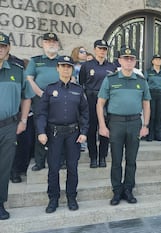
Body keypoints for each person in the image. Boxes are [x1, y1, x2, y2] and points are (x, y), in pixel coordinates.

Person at [97, 47, 150, 206]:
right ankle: (117, 190)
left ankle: (128, 189)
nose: (128, 61)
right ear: (119, 61)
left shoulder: (141, 81)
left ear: (135, 61)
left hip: (135, 123)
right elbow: (100, 104)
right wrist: (102, 125)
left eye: (132, 58)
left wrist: (146, 124)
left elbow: (146, 104)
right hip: (116, 123)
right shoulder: (111, 79)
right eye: (125, 58)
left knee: (131, 160)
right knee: (116, 160)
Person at [36, 56, 89, 213]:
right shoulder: (50, 89)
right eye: (63, 66)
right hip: (54, 134)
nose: (66, 69)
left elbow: (85, 113)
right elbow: (41, 113)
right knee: (53, 168)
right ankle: (53, 199)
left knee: (72, 167)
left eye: (69, 66)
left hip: (73, 134)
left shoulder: (78, 90)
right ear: (57, 68)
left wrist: (84, 132)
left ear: (72, 69)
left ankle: (72, 197)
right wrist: (41, 131)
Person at [0, 33, 32, 220]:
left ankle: (0, 203)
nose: (0, 49)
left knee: (4, 168)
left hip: (8, 127)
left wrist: (23, 121)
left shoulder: (17, 70)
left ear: (8, 49)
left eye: (3, 46)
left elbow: (26, 97)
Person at [26, 32, 62, 171]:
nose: (51, 44)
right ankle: (40, 162)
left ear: (58, 45)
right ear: (43, 44)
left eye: (53, 42)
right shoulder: (35, 61)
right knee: (40, 130)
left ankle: (60, 159)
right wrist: (41, 93)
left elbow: (71, 79)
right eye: (48, 41)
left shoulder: (63, 61)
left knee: (61, 130)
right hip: (40, 100)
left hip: (59, 101)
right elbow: (29, 79)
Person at [79, 40, 117, 168]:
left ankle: (102, 157)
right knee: (91, 129)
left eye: (105, 49)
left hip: (107, 101)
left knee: (105, 130)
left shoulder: (112, 67)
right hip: (91, 99)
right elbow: (82, 83)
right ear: (95, 49)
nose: (102, 51)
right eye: (100, 48)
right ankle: (93, 157)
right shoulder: (87, 66)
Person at [144, 54, 161, 141]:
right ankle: (150, 134)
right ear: (153, 61)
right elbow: (145, 84)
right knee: (151, 114)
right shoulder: (148, 72)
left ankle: (158, 134)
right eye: (156, 60)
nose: (158, 61)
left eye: (159, 60)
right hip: (151, 93)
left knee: (159, 115)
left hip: (160, 94)